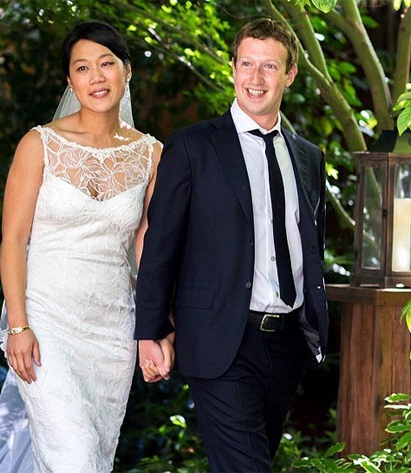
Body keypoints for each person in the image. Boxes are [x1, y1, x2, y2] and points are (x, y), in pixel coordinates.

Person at [134, 17, 328, 472]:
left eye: (269, 66)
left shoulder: (308, 157)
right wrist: (150, 331)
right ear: (233, 68)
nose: (256, 78)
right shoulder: (193, 147)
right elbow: (160, 247)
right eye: (246, 64)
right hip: (222, 340)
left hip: (288, 344)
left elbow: (310, 248)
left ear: (289, 74)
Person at [0, 21, 162, 473]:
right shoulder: (38, 145)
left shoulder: (151, 154)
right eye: (82, 68)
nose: (96, 77)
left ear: (127, 71)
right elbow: (13, 240)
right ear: (70, 81)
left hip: (112, 334)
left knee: (93, 458)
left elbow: (146, 246)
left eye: (106, 63)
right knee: (74, 457)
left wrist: (154, 327)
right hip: (46, 325)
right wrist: (17, 326)